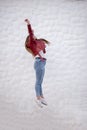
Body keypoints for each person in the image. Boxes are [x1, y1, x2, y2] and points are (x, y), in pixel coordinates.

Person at [25, 19, 50, 107]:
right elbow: (31, 34)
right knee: (38, 82)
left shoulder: (36, 43)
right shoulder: (31, 43)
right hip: (39, 62)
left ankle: (42, 97)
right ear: (30, 40)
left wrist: (43, 47)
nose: (34, 36)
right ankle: (38, 98)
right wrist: (29, 24)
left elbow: (43, 51)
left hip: (42, 62)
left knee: (40, 81)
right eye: (32, 36)